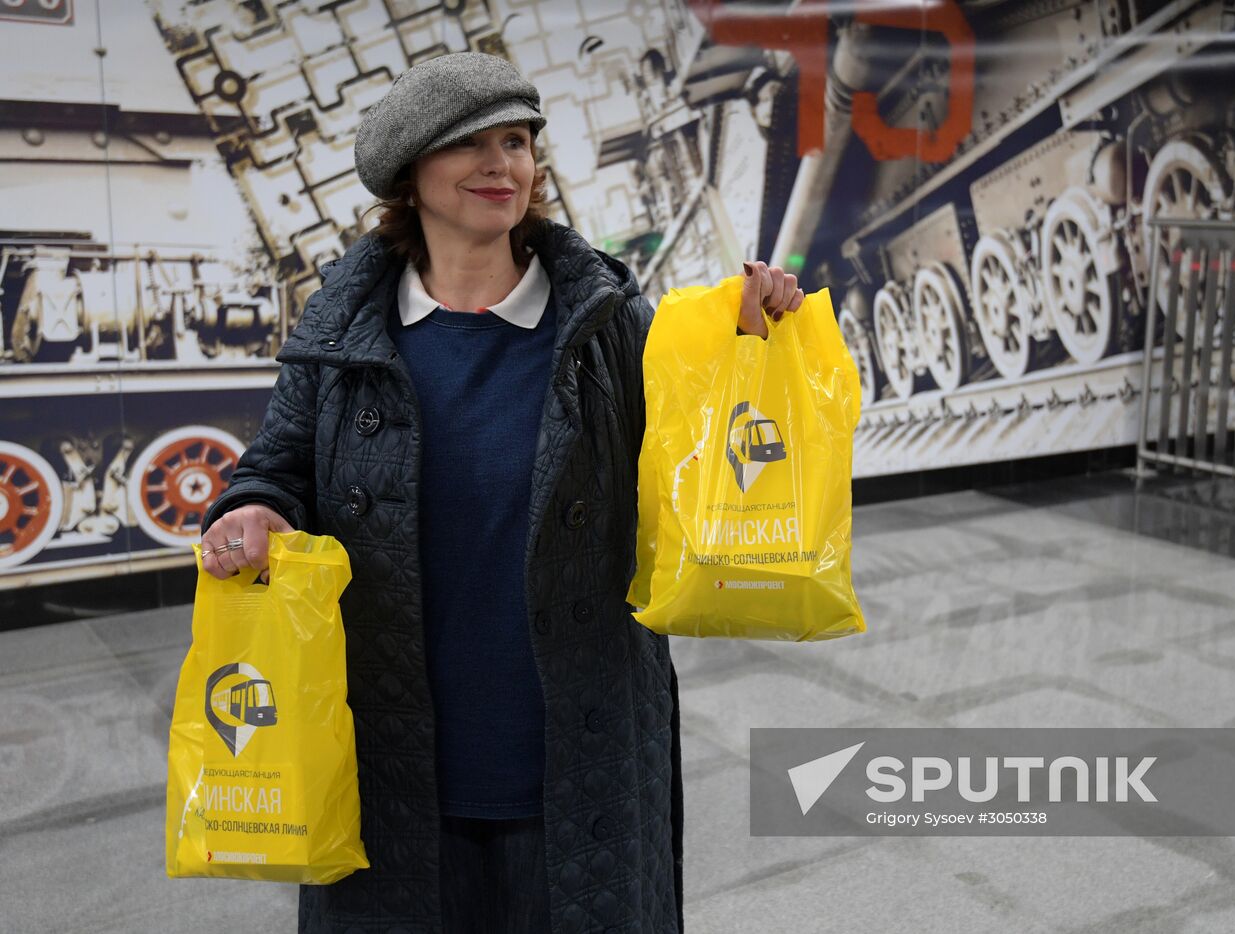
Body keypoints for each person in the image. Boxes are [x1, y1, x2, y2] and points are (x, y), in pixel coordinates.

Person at [197, 51, 806, 933]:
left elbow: (704, 450)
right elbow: (276, 468)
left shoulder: (607, 325)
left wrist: (752, 343)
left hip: (575, 758)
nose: (502, 164)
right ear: (411, 176)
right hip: (392, 755)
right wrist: (253, 510)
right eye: (471, 145)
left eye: (516, 142)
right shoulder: (341, 337)